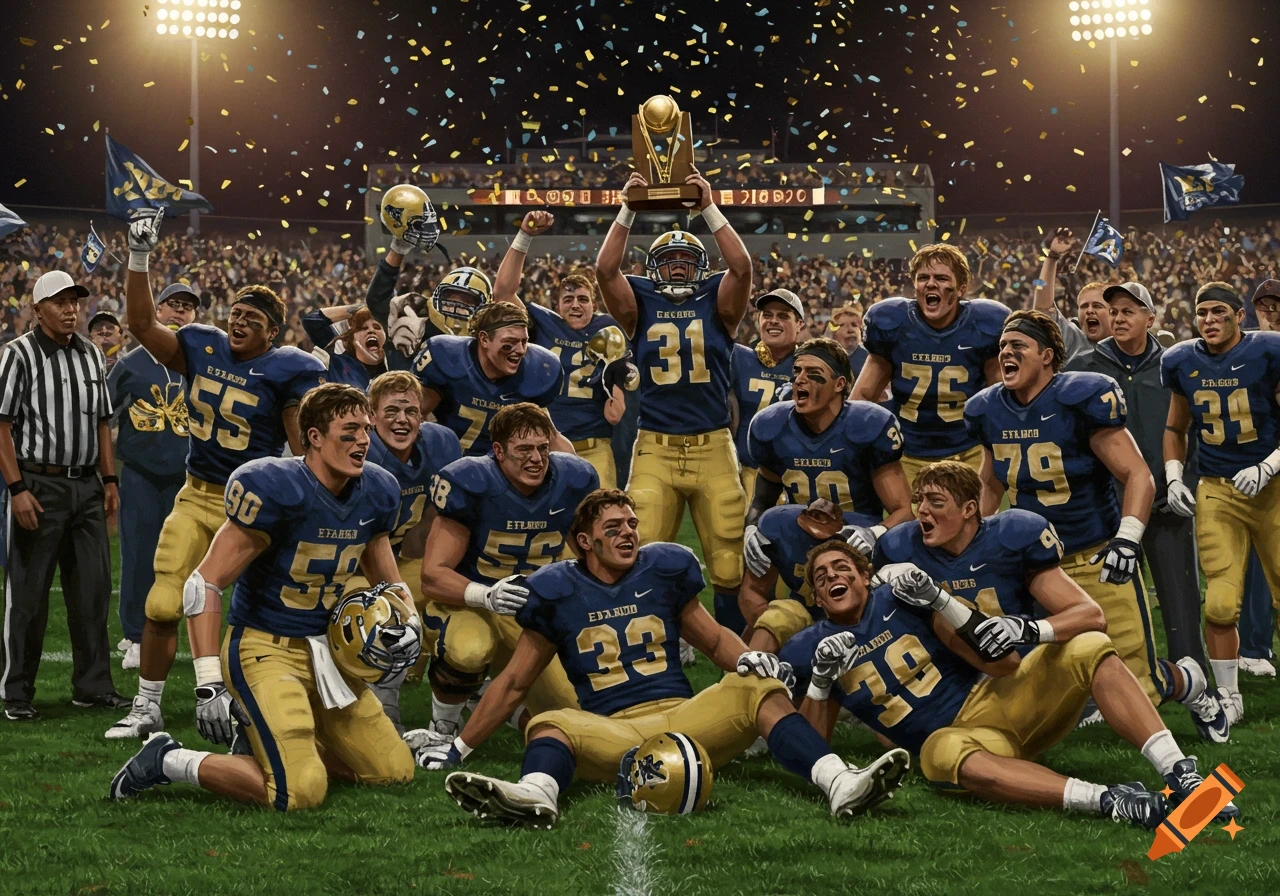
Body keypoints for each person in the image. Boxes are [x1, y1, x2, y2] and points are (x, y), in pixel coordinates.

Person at [416, 489, 911, 828]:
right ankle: (536, 794)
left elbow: (716, 642)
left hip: (687, 720)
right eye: (615, 527)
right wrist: (458, 746)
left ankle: (840, 782)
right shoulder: (556, 589)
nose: (630, 532)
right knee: (549, 721)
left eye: (632, 523)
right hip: (614, 732)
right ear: (586, 541)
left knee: (756, 688)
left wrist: (749, 662)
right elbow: (515, 684)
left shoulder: (664, 568)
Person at [108, 384, 418, 810]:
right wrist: (208, 683)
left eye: (365, 429)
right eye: (349, 431)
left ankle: (268, 745)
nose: (364, 440)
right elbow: (205, 583)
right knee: (300, 793)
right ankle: (169, 759)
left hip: (327, 656)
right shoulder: (276, 486)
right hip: (264, 648)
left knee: (392, 771)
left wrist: (408, 622)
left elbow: (389, 581)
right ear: (314, 436)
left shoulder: (378, 489)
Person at [786, 541, 1235, 827]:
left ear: (865, 575)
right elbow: (817, 747)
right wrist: (822, 682)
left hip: (997, 698)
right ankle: (1111, 802)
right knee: (937, 753)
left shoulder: (900, 598)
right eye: (821, 578)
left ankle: (1181, 773)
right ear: (816, 597)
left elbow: (1002, 662)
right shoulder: (812, 646)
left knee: (1089, 644)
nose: (832, 578)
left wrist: (939, 600)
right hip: (959, 741)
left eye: (841, 567)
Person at [107, 210, 326, 742]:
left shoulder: (287, 369)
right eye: (237, 311)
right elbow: (140, 324)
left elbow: (301, 448)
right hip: (198, 495)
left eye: (253, 317)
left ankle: (258, 699)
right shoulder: (201, 344)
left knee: (259, 614)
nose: (239, 320)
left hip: (255, 505)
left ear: (273, 333)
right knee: (162, 601)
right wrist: (140, 257)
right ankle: (148, 706)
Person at [965, 310, 1226, 740]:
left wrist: (1127, 539)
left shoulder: (1081, 396)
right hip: (1035, 563)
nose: (1006, 353)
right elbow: (990, 483)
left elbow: (1137, 474)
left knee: (1141, 682)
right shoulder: (988, 408)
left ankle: (1189, 682)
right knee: (1020, 664)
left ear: (1048, 356)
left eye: (1018, 346)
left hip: (1094, 552)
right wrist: (981, 540)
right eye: (1002, 347)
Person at [595, 166, 754, 634]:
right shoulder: (639, 304)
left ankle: (734, 662)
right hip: (656, 445)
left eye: (688, 260)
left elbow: (742, 267)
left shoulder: (719, 302)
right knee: (635, 551)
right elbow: (605, 269)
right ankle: (648, 642)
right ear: (654, 270)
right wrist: (628, 207)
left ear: (701, 267)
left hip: (712, 444)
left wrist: (708, 205)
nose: (680, 268)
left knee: (728, 560)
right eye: (671, 262)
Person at [411, 403, 597, 746]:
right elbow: (433, 576)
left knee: (576, 711)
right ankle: (443, 727)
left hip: (534, 612)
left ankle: (483, 698)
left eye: (542, 448)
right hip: (471, 603)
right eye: (523, 450)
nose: (536, 459)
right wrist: (486, 595)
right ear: (498, 451)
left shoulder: (572, 479)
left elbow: (589, 554)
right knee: (469, 649)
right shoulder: (472, 482)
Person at [0, 270, 127, 720]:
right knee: (30, 595)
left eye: (75, 301)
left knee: (92, 591)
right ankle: (16, 692)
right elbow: (1, 425)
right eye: (59, 302)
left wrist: (109, 482)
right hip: (39, 483)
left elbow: (101, 424)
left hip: (87, 485)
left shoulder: (92, 354)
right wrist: (16, 489)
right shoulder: (17, 355)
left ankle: (92, 687)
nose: (71, 309)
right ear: (38, 309)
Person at [1065, 282, 1208, 673]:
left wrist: (1186, 481)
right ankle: (1114, 683)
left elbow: (1193, 430)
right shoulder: (1083, 367)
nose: (1119, 317)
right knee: (1112, 604)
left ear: (1150, 317)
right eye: (1115, 311)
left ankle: (1191, 678)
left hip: (1165, 501)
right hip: (1110, 509)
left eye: (1129, 310)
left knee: (1181, 601)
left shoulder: (1175, 365)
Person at [1161, 281, 1280, 725]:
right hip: (1217, 488)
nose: (1208, 320)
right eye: (1201, 312)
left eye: (1217, 311)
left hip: (1272, 489)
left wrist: (1269, 466)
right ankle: (1229, 695)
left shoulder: (1267, 352)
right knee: (1220, 603)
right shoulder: (1181, 361)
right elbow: (1176, 428)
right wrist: (1174, 476)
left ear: (1238, 316)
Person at [745, 337, 913, 585]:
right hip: (798, 541)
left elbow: (904, 510)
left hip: (856, 547)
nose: (800, 379)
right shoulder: (772, 426)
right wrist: (751, 526)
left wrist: (874, 533)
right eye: (797, 371)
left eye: (813, 373)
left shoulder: (866, 426)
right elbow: (763, 498)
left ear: (839, 384)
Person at [852, 244, 1009, 489]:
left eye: (942, 277)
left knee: (969, 524)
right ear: (914, 286)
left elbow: (1000, 398)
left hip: (968, 451)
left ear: (961, 288)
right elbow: (862, 396)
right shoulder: (893, 323)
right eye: (923, 277)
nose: (931, 283)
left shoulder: (984, 324)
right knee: (912, 525)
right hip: (907, 451)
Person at [492, 211, 628, 486]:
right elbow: (503, 293)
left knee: (601, 515)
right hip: (544, 446)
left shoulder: (609, 327)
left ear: (594, 304)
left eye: (582, 299)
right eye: (568, 299)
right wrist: (525, 235)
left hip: (595, 445)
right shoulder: (544, 325)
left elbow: (620, 370)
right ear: (557, 306)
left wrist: (619, 396)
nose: (575, 305)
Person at [358, 371, 461, 727]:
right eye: (391, 411)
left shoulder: (440, 444)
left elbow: (431, 522)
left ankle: (466, 687)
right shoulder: (358, 450)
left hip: (402, 555)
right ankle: (382, 711)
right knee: (379, 616)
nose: (402, 419)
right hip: (350, 567)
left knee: (453, 598)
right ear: (370, 417)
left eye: (411, 411)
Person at [108, 282, 202, 670]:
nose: (179, 313)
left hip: (189, 477)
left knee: (188, 562)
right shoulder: (130, 362)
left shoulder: (201, 362)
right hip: (142, 475)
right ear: (157, 311)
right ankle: (134, 635)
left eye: (187, 308)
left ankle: (184, 634)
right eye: (173, 306)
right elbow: (103, 412)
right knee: (139, 555)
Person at [411, 301, 571, 456]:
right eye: (510, 342)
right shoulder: (447, 356)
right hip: (445, 458)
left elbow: (552, 437)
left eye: (524, 342)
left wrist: (578, 473)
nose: (521, 350)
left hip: (499, 469)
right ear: (484, 339)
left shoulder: (538, 370)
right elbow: (415, 416)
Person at [739, 498, 874, 652]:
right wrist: (776, 629)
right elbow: (752, 591)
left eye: (840, 566)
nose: (831, 574)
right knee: (775, 620)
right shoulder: (779, 528)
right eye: (821, 574)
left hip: (857, 622)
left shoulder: (863, 541)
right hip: (803, 616)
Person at [1238, 278, 1280, 678]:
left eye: (1275, 303)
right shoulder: (1248, 349)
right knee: (1257, 565)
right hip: (1261, 468)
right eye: (1262, 304)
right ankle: (1253, 646)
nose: (1269, 309)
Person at [731, 289, 804, 505]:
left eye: (783, 316)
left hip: (799, 472)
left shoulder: (809, 364)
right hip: (749, 470)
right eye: (767, 315)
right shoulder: (738, 357)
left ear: (799, 324)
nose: (773, 321)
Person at [1031, 227, 1112, 359]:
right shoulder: (1074, 339)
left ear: (1113, 313)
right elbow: (1043, 309)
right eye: (1084, 306)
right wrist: (1052, 257)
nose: (1090, 311)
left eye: (1097, 306)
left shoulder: (1126, 346)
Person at [301, 303, 388, 390]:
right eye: (363, 328)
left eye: (377, 327)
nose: (371, 330)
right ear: (352, 339)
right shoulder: (337, 363)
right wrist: (360, 308)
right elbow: (312, 320)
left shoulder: (392, 366)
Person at [829, 301, 869, 376]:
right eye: (843, 325)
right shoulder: (825, 358)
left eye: (854, 325)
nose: (850, 330)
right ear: (834, 333)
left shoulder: (870, 359)